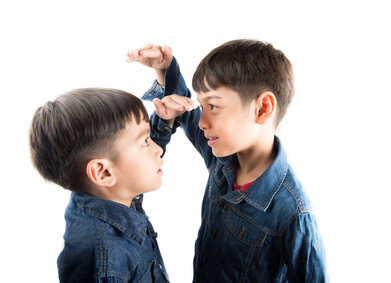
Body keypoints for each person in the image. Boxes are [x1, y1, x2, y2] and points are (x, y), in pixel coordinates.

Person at [128, 40, 328, 282]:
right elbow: (184, 111)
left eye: (213, 106)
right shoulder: (221, 155)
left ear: (262, 109)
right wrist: (165, 70)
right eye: (202, 107)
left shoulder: (292, 212)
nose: (202, 123)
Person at [29, 88, 170, 282]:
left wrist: (165, 122)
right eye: (146, 141)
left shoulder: (110, 193)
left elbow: (135, 164)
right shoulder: (106, 257)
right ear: (103, 173)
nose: (158, 149)